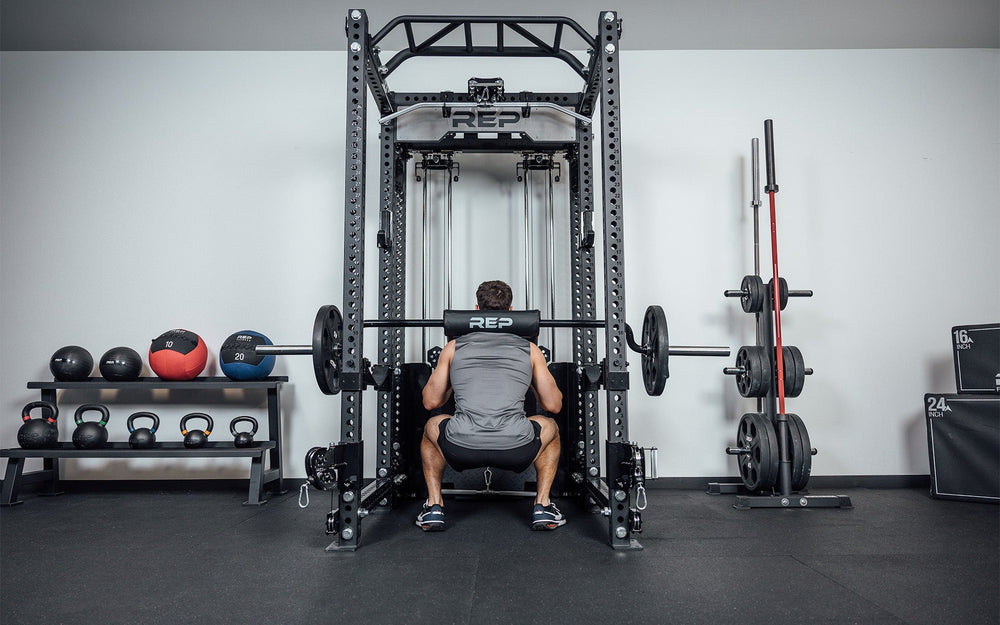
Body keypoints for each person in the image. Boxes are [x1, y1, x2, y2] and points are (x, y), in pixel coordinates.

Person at [418, 279, 565, 531]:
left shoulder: (452, 348)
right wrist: (529, 383)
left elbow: (431, 402)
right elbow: (553, 405)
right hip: (516, 448)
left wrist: (455, 381)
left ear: (476, 311)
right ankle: (542, 506)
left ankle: (434, 507)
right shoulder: (530, 350)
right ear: (510, 312)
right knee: (550, 427)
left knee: (432, 426)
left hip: (460, 447)